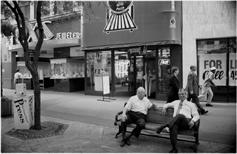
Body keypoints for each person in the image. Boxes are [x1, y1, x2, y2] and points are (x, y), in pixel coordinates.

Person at [156, 88, 200, 153]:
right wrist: (164, 107)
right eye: (179, 94)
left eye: (183, 94)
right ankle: (174, 149)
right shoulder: (176, 102)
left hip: (186, 123)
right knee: (173, 128)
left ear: (186, 95)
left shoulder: (191, 104)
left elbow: (197, 115)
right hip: (176, 122)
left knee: (180, 115)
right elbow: (166, 104)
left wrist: (193, 121)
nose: (181, 96)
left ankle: (164, 126)